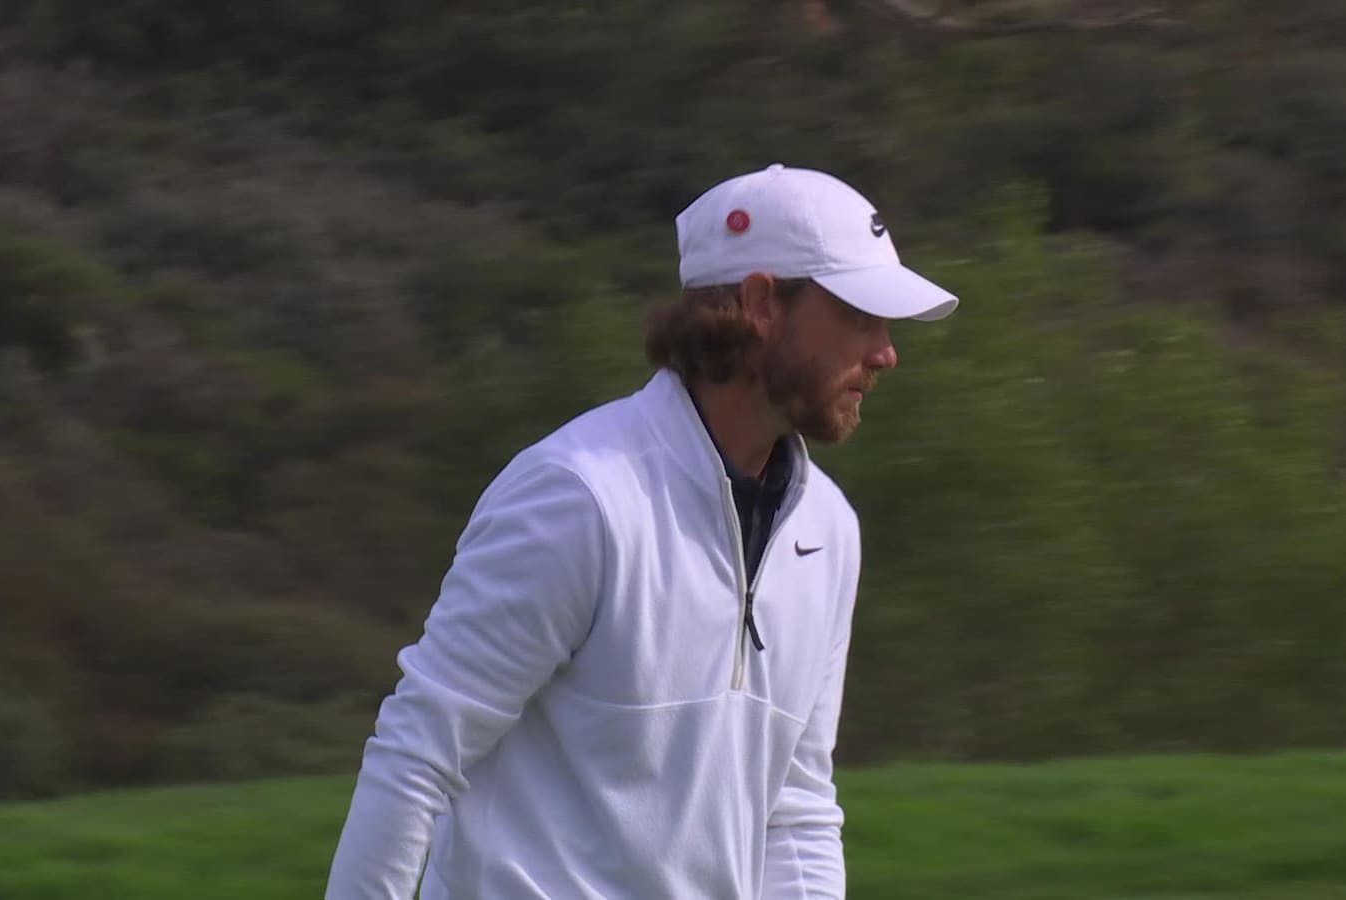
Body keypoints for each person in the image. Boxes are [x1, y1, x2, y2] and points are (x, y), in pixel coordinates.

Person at [324, 163, 959, 898]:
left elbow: (795, 810)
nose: (885, 353)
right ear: (760, 304)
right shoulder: (578, 494)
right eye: (858, 316)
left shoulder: (829, 530)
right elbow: (416, 754)